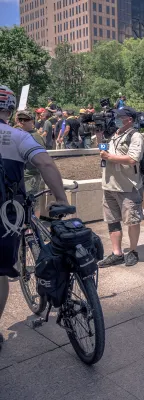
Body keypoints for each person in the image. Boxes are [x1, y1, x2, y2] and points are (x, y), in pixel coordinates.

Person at [0, 86, 69, 353]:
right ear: (10, 109)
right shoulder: (17, 136)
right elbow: (46, 163)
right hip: (6, 215)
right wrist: (61, 199)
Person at [97, 106, 144, 268]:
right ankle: (117, 253)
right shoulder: (114, 134)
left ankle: (133, 251)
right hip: (109, 185)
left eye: (120, 117)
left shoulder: (135, 136)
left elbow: (133, 159)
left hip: (127, 186)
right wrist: (100, 138)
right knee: (112, 221)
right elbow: (104, 152)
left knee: (132, 221)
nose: (116, 119)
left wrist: (109, 157)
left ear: (129, 119)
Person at [16, 110, 46, 208]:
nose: (22, 122)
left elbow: (41, 160)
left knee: (32, 205)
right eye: (20, 120)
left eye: (25, 120)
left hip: (31, 176)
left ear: (32, 121)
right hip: (23, 177)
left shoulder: (35, 137)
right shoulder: (22, 134)